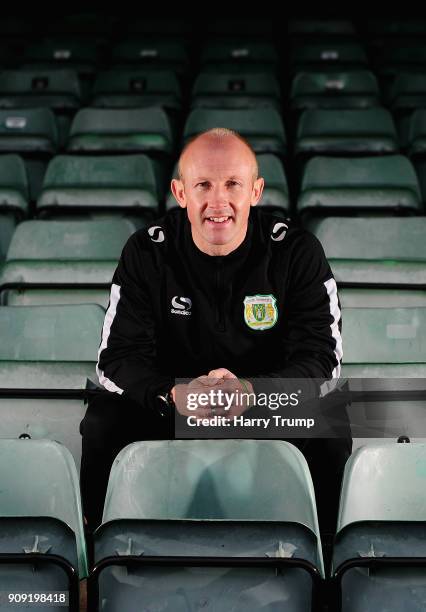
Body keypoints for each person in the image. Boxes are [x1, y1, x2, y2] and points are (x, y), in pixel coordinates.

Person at [80, 128, 352, 547]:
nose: (218, 202)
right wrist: (175, 394)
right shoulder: (147, 251)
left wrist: (251, 392)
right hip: (173, 405)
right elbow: (116, 359)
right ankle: (98, 559)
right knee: (102, 421)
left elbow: (322, 360)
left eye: (232, 185)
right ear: (180, 191)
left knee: (330, 420)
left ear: (256, 191)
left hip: (265, 405)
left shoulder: (296, 251)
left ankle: (327, 562)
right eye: (203, 184)